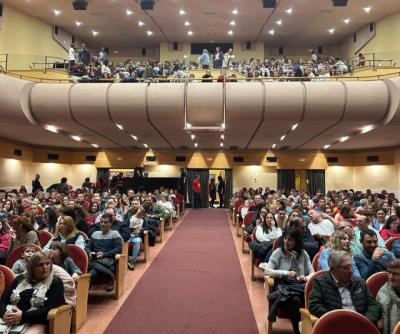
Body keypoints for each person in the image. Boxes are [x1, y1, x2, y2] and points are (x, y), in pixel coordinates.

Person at [264, 228, 314, 334]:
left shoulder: (303, 254)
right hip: (284, 287)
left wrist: (306, 278)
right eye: (285, 238)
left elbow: (312, 273)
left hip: (301, 286)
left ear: (296, 241)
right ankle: (298, 331)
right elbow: (267, 271)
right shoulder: (278, 252)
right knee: (295, 300)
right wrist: (286, 273)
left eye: (290, 239)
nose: (286, 241)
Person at [0, 252, 65, 332]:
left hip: (36, 321)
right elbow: (3, 302)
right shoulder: (19, 279)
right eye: (40, 265)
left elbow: (49, 309)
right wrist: (4, 313)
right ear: (32, 268)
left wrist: (23, 316)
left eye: (47, 264)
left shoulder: (56, 282)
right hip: (9, 320)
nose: (45, 268)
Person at [309, 251, 381, 323]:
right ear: (333, 269)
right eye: (345, 268)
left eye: (351, 266)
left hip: (361, 323)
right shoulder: (320, 283)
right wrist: (336, 319)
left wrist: (366, 321)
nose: (350, 271)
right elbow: (314, 306)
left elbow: (373, 304)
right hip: (336, 324)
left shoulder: (359, 282)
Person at [85, 213, 123, 288]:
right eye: (101, 222)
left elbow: (118, 249)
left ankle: (82, 297)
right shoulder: (95, 234)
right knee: (92, 273)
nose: (103, 224)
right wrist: (90, 253)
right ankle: (110, 275)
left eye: (106, 222)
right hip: (95, 257)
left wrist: (104, 254)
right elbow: (87, 247)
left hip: (108, 259)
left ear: (111, 223)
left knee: (90, 268)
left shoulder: (115, 234)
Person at [376, 259, 400, 334]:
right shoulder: (383, 293)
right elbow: (377, 312)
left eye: (396, 274)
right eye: (389, 272)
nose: (391, 277)